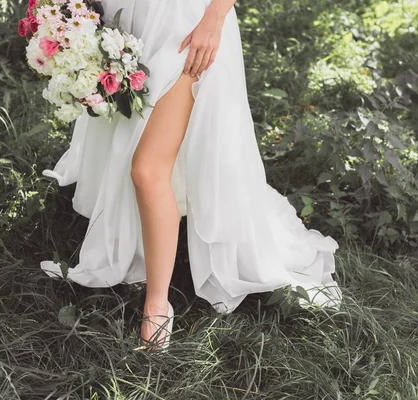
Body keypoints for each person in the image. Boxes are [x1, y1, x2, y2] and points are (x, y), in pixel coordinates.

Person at [40, 0, 342, 351]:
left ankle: (157, 302)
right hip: (128, 15)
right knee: (131, 137)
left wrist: (214, 17)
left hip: (184, 23)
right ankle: (146, 236)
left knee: (146, 169)